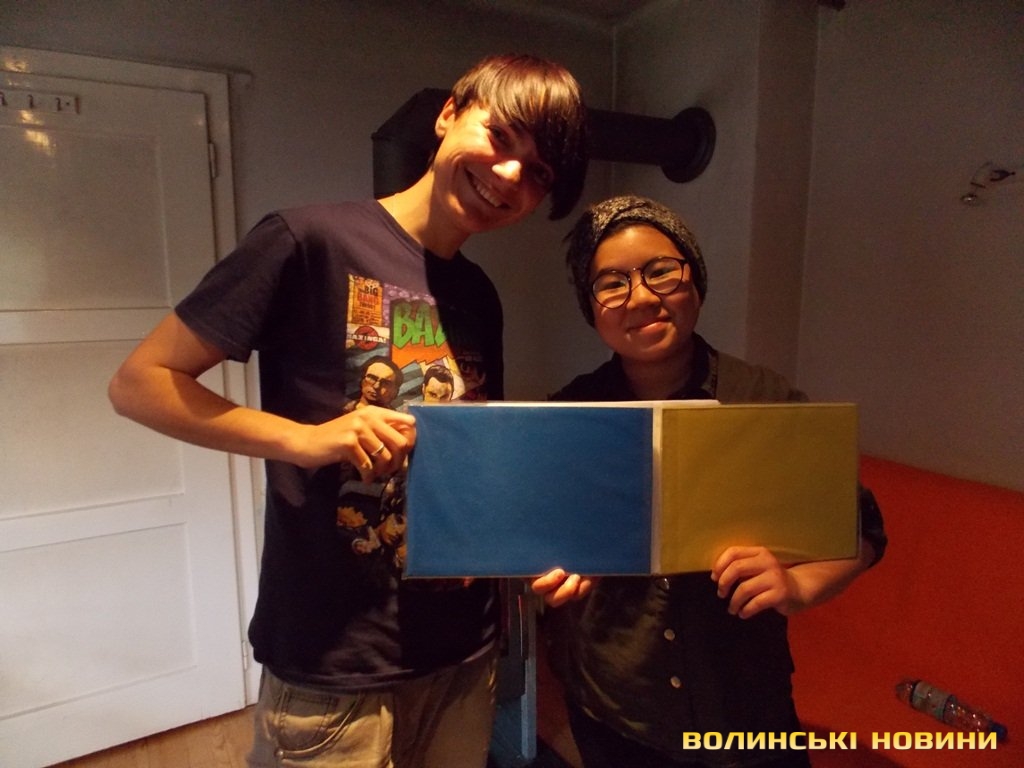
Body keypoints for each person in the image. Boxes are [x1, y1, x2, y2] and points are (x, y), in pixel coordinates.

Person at [108, 53, 588, 768]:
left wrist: (535, 547)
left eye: (540, 171)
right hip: (334, 657)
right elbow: (140, 383)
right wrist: (305, 441)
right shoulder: (307, 241)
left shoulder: (479, 295)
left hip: (463, 651)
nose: (512, 174)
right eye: (501, 136)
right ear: (449, 114)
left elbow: (474, 459)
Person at [531, 195, 887, 768]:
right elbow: (539, 538)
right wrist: (546, 567)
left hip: (745, 708)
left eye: (661, 271)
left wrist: (798, 586)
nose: (640, 297)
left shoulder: (763, 400)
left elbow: (860, 527)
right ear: (592, 309)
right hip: (615, 707)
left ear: (694, 281)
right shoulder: (568, 415)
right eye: (612, 283)